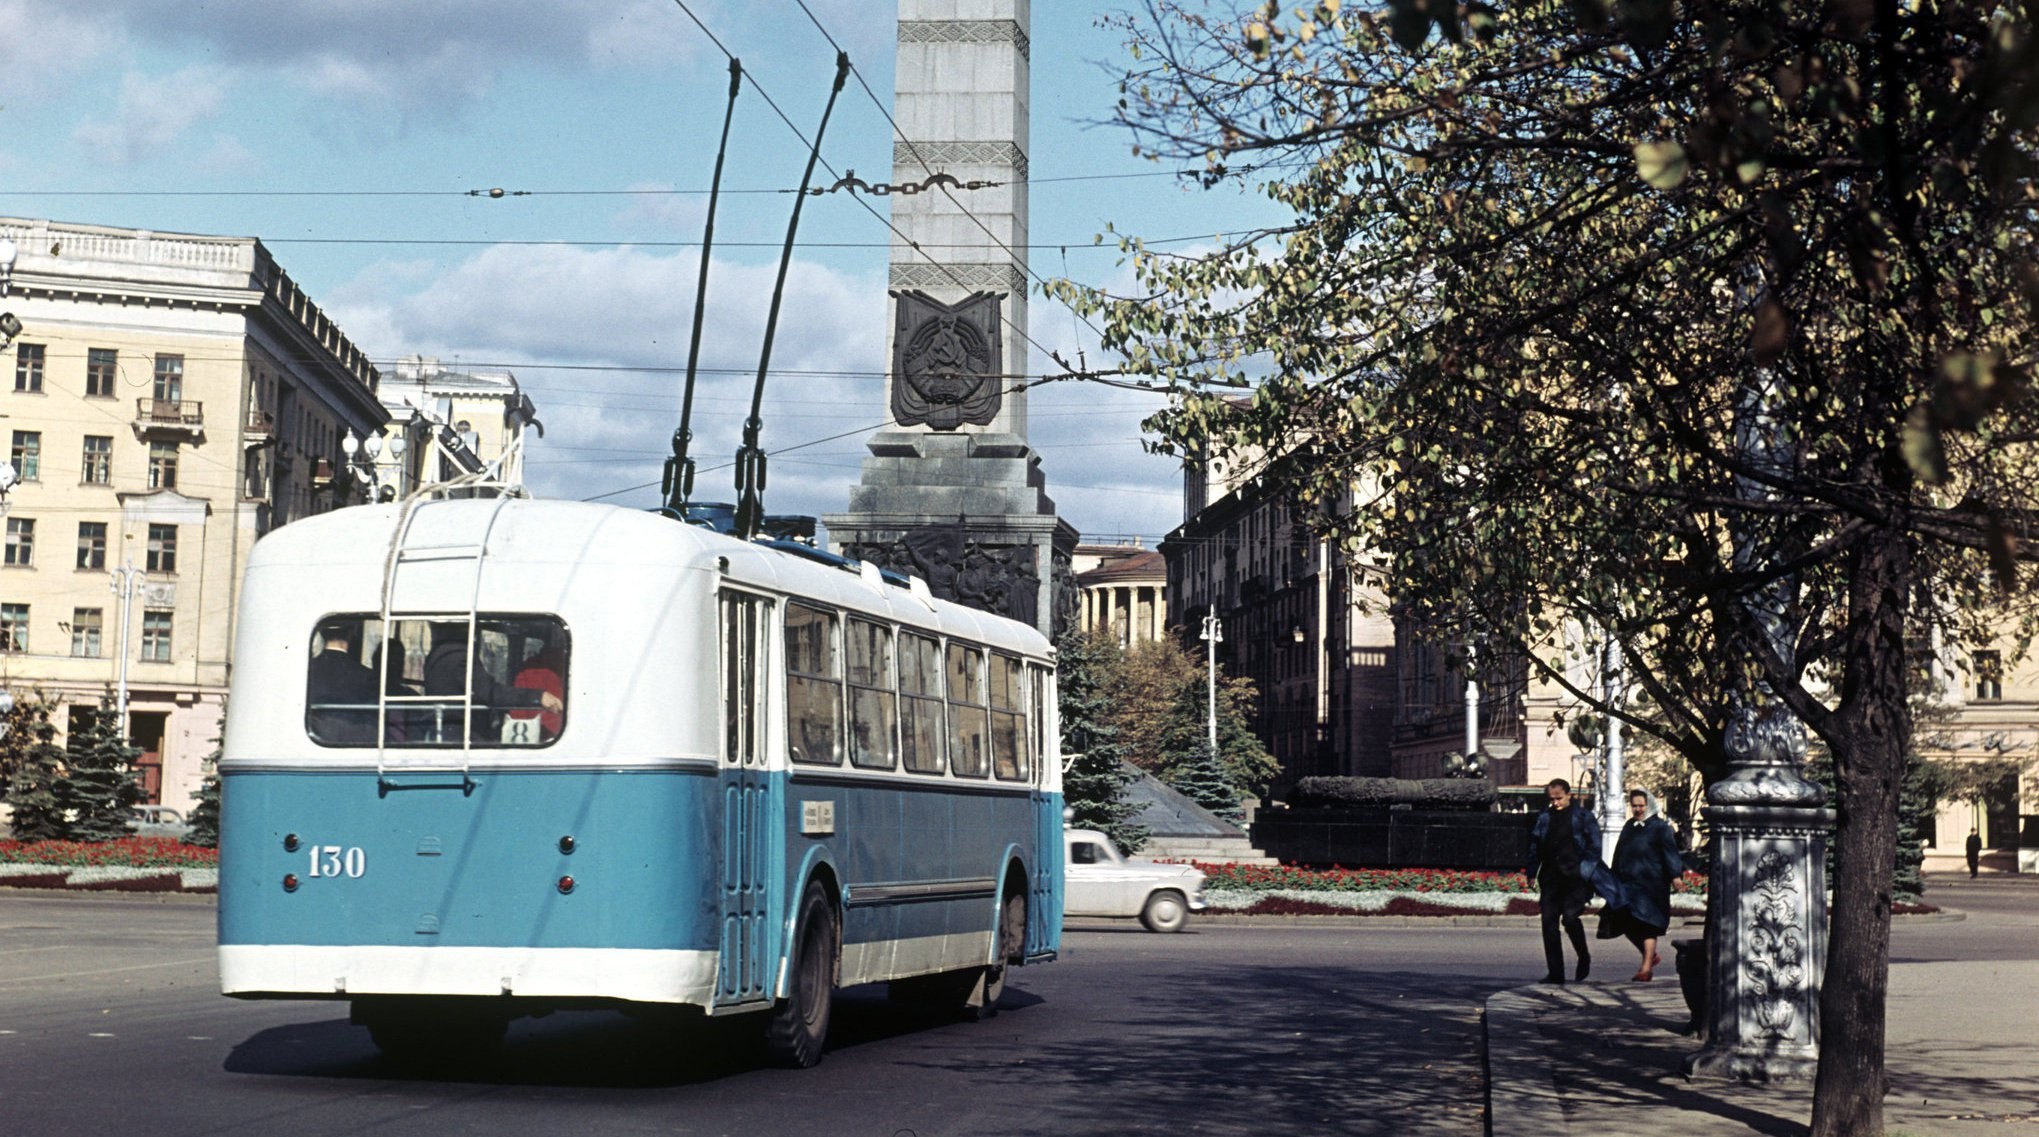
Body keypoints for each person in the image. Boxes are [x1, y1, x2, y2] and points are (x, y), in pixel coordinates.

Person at [1525, 777, 1613, 984]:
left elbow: (1594, 847)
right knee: (1549, 925)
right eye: (1552, 799)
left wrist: (1585, 871)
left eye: (1559, 799)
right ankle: (1556, 973)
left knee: (1571, 919)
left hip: (1575, 877)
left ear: (1569, 795)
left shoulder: (1583, 816)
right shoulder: (1545, 817)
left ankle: (1583, 955)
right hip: (1551, 877)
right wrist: (1531, 872)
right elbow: (1535, 846)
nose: (1555, 803)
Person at [1598, 789, 1688, 981]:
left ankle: (1646, 969)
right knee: (1625, 922)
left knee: (1647, 924)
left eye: (1641, 805)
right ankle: (1651, 956)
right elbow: (1619, 852)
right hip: (1628, 884)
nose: (1638, 809)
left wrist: (1675, 876)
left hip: (1651, 885)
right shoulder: (1630, 826)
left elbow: (1670, 852)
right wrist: (1612, 879)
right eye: (1634, 806)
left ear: (1649, 805)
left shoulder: (1660, 827)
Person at [423, 622, 561, 743]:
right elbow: (489, 691)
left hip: (449, 729)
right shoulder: (458, 657)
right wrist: (537, 697)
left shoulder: (439, 655)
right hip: (461, 734)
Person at [306, 620, 379, 744]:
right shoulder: (366, 675)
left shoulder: (308, 670)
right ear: (351, 633)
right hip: (352, 743)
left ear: (322, 633)